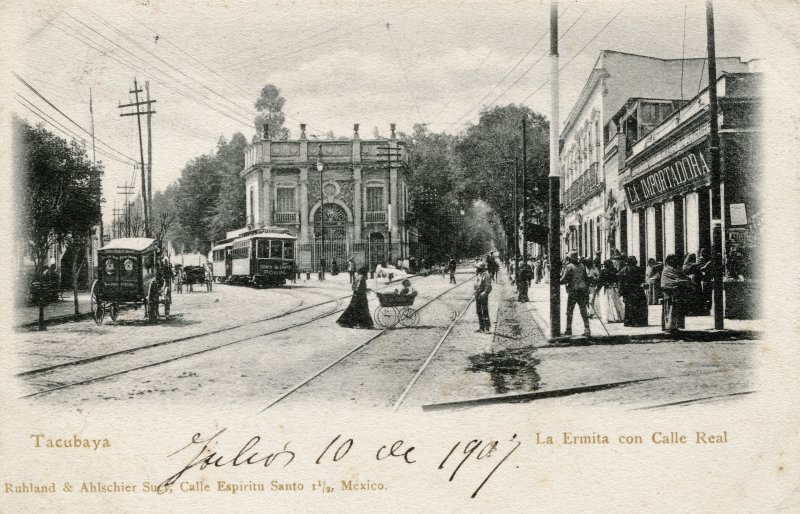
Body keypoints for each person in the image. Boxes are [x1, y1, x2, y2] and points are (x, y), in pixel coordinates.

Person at [560, 250, 590, 337]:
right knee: (583, 310)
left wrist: (557, 281)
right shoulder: (582, 266)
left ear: (569, 258)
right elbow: (586, 278)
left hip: (573, 291)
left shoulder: (569, 267)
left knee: (569, 311)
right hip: (582, 290)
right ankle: (587, 329)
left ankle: (568, 329)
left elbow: (564, 279)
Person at [661, 253, 693, 333]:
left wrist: (688, 281)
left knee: (678, 309)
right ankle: (670, 327)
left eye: (675, 259)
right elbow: (666, 282)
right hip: (670, 293)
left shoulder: (678, 268)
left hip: (679, 292)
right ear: (669, 260)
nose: (674, 260)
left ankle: (678, 326)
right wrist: (681, 282)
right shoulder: (666, 270)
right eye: (672, 259)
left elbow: (684, 276)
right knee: (671, 309)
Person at [618, 256, 648, 327]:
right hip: (638, 290)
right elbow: (642, 279)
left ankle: (629, 322)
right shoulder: (639, 269)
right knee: (639, 306)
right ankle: (639, 322)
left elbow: (620, 281)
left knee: (629, 306)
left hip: (628, 290)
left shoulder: (623, 270)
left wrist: (621, 292)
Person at [474, 262, 492, 333]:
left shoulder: (486, 276)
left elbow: (489, 287)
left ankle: (487, 328)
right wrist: (475, 288)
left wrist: (484, 293)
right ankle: (481, 327)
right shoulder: (479, 275)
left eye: (477, 268)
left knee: (484, 311)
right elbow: (478, 284)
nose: (476, 269)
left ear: (481, 268)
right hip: (478, 295)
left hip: (483, 296)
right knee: (478, 311)